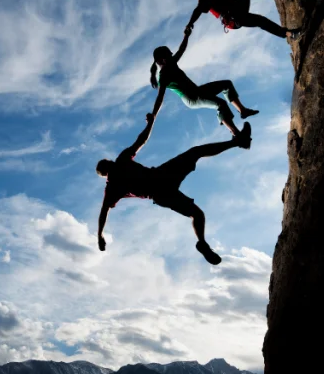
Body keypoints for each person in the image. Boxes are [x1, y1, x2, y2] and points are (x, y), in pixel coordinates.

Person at [95, 113, 252, 265]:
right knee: (196, 152)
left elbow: (104, 211)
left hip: (160, 194)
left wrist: (100, 234)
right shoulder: (119, 166)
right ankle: (238, 142)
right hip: (161, 177)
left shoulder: (112, 187)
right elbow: (141, 140)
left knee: (197, 214)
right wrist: (150, 124)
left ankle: (202, 242)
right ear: (108, 166)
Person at [149, 25, 257, 138]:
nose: (172, 57)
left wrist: (186, 36)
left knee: (227, 84)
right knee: (221, 104)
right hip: (191, 98)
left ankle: (242, 110)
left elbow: (181, 49)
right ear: (162, 59)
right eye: (169, 55)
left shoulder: (171, 63)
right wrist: (154, 115)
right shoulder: (164, 76)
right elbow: (160, 97)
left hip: (197, 91)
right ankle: (236, 134)